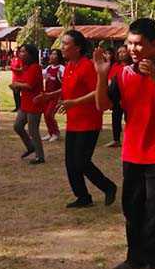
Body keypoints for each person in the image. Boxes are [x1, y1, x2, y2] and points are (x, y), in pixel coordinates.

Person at [94, 18, 155, 269]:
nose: (132, 49)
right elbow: (102, 105)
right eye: (129, 43)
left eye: (138, 44)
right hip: (132, 153)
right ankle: (135, 256)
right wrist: (102, 75)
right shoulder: (123, 73)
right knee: (132, 208)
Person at [59, 29, 117, 208]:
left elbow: (97, 92)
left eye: (65, 44)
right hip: (74, 121)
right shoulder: (69, 66)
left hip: (89, 121)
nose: (62, 47)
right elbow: (69, 90)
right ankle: (83, 197)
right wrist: (50, 96)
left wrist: (74, 102)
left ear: (77, 48)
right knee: (71, 163)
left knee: (81, 161)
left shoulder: (87, 66)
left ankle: (108, 187)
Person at [10, 44, 45, 165]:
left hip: (34, 102)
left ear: (31, 54)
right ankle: (30, 147)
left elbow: (30, 85)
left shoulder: (35, 67)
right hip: (25, 102)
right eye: (20, 52)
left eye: (24, 52)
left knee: (33, 130)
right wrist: (17, 85)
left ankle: (40, 156)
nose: (21, 54)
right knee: (18, 126)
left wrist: (17, 85)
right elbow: (24, 82)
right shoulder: (26, 67)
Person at [105, 46, 130, 147]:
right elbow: (110, 81)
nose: (121, 54)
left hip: (129, 96)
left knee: (129, 119)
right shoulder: (115, 65)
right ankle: (116, 140)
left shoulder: (133, 66)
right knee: (116, 117)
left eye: (124, 52)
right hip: (116, 97)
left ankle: (131, 139)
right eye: (119, 52)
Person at [39, 48, 64, 142]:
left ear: (59, 57)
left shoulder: (61, 68)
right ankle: (50, 133)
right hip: (47, 96)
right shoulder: (48, 68)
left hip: (56, 96)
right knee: (46, 114)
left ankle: (56, 133)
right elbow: (41, 76)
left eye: (54, 54)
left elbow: (65, 84)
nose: (52, 56)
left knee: (49, 114)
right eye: (51, 54)